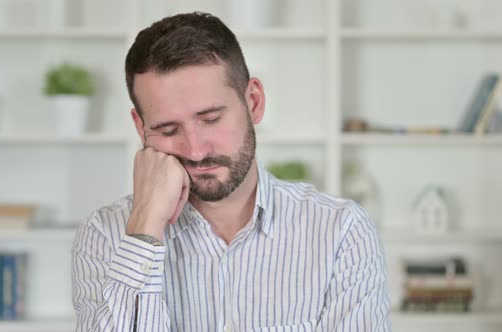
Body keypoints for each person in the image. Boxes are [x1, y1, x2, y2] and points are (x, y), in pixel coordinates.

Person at [72, 12, 391, 332]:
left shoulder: (341, 232)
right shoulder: (106, 234)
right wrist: (145, 227)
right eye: (168, 129)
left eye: (211, 119)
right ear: (141, 128)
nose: (195, 150)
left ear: (253, 102)